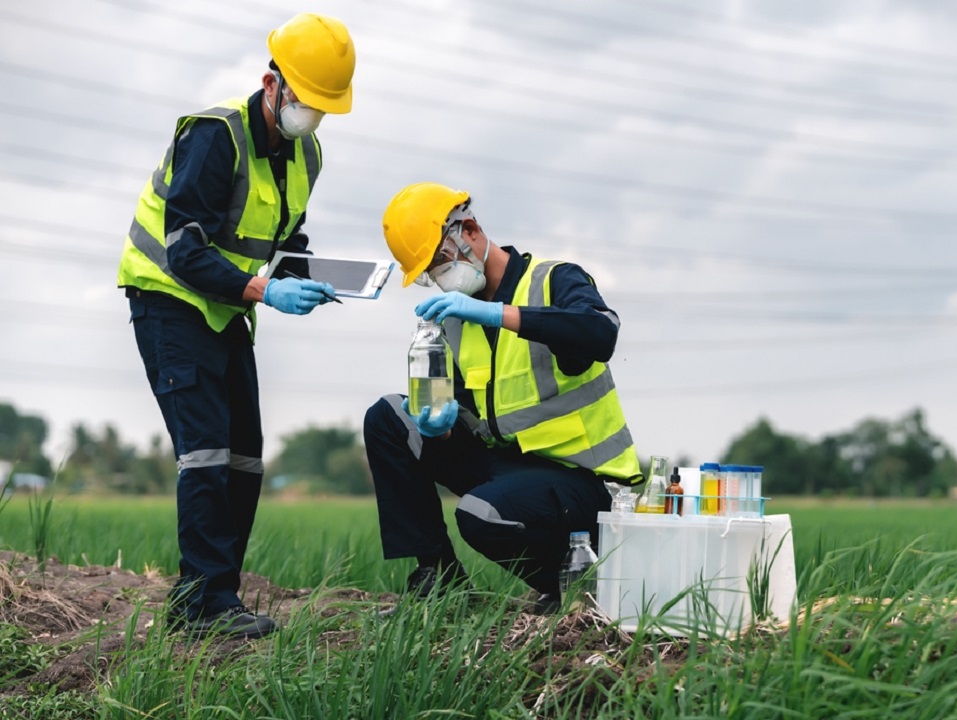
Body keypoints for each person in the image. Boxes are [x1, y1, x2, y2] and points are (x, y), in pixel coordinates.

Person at [116, 13, 356, 638]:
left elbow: (281, 238)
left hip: (226, 307)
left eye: (322, 107)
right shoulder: (215, 134)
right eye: (304, 101)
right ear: (270, 83)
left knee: (245, 456)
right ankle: (202, 609)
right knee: (206, 452)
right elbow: (185, 250)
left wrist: (306, 273)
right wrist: (265, 290)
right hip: (170, 298)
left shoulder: (307, 154)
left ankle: (212, 597)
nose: (312, 115)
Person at [366, 182, 643, 615]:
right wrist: (436, 429)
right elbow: (467, 415)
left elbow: (599, 333)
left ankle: (577, 585)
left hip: (587, 484)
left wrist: (500, 314)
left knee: (480, 513)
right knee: (387, 417)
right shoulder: (457, 320)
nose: (440, 279)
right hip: (513, 469)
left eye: (440, 262)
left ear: (470, 230)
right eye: (429, 274)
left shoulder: (553, 280)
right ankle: (440, 581)